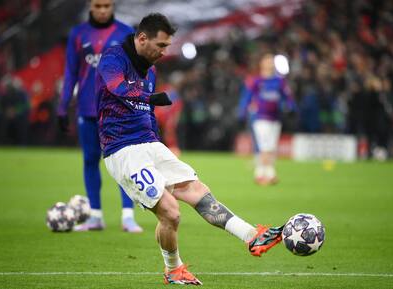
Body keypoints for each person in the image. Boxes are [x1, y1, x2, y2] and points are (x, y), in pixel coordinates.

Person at [96, 13, 284, 285]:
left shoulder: (150, 68)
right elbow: (116, 87)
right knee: (170, 213)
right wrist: (149, 98)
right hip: (122, 149)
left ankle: (252, 236)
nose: (164, 52)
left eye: (167, 46)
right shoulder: (113, 58)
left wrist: (158, 139)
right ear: (142, 38)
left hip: (149, 143)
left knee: (198, 190)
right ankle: (173, 270)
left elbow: (147, 110)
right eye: (160, 45)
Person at [57, 0, 142, 233]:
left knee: (123, 164)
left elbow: (136, 71)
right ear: (90, 7)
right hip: (87, 108)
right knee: (90, 160)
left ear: (112, 6)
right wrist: (63, 106)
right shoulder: (78, 34)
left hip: (117, 110)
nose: (103, 10)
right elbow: (70, 72)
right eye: (98, 5)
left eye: (107, 5)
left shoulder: (127, 33)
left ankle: (127, 216)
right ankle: (95, 216)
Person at [238, 53, 294, 186]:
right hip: (260, 117)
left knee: (271, 146)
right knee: (264, 146)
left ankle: (264, 172)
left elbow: (287, 97)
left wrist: (291, 108)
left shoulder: (279, 81)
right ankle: (264, 174)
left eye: (271, 61)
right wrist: (242, 112)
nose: (270, 63)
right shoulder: (257, 81)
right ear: (262, 63)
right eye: (268, 61)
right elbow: (247, 97)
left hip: (275, 117)